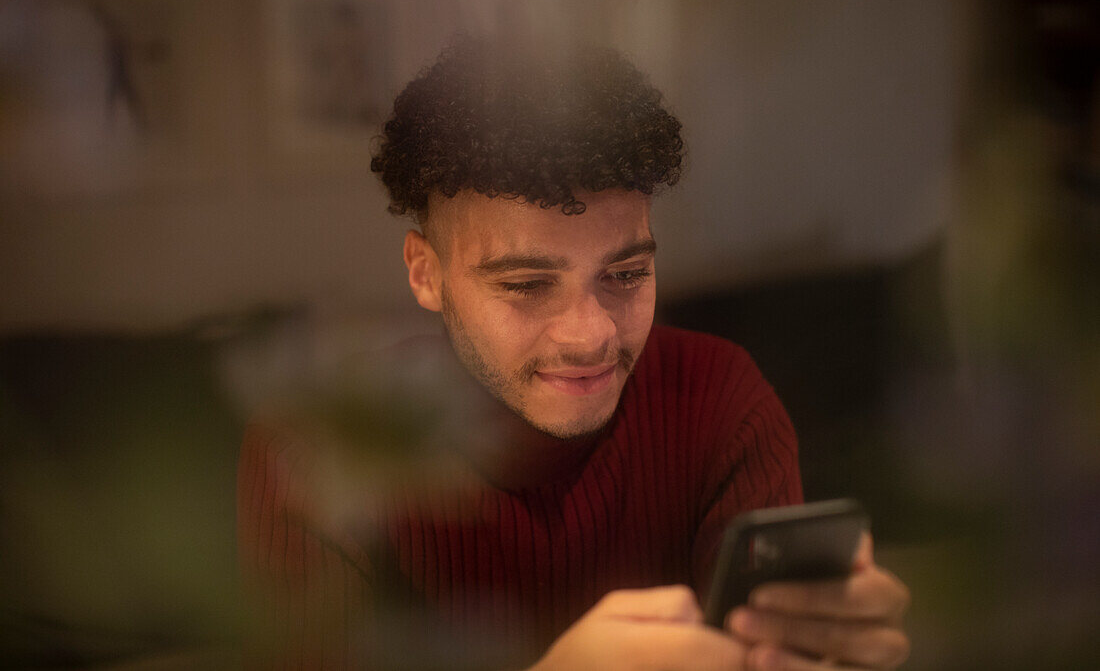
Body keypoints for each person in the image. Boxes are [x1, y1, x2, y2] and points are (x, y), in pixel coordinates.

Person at [237, 35, 910, 669]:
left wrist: (817, 644)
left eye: (625, 274)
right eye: (527, 285)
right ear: (425, 274)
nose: (590, 334)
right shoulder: (325, 444)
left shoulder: (720, 397)